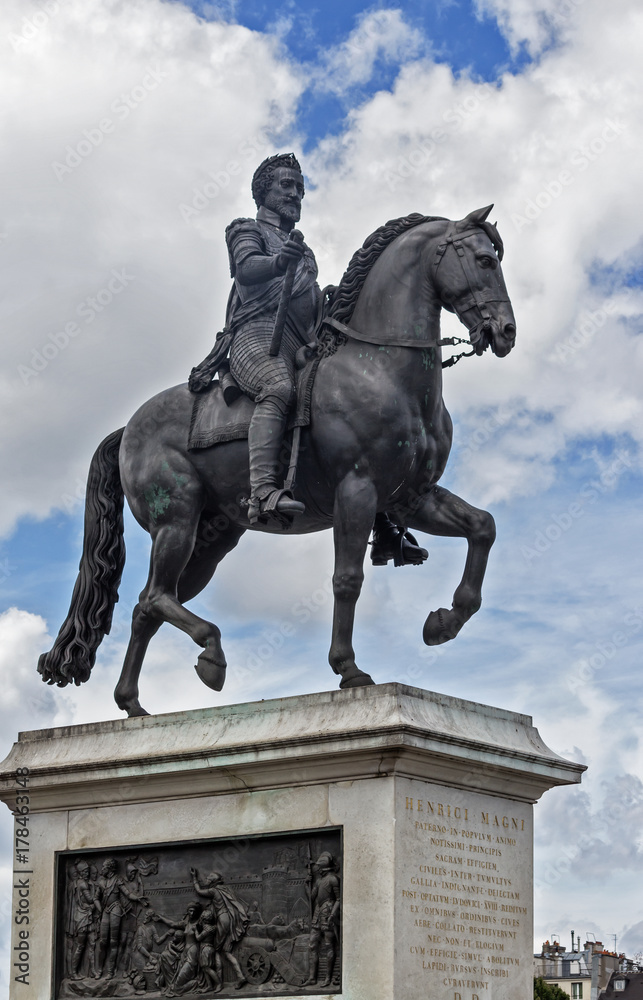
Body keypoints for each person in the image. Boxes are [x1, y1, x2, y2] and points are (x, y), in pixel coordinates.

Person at [190, 868, 249, 989]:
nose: (206, 880)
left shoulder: (213, 891)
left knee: (216, 949)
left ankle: (218, 982)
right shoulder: (226, 889)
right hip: (230, 919)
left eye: (208, 879)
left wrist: (194, 878)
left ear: (213, 881)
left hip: (222, 919)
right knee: (226, 952)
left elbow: (199, 891)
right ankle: (240, 977)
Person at [303, 852, 340, 988]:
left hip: (328, 913)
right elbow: (311, 898)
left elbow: (338, 899)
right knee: (312, 945)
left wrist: (332, 915)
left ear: (324, 867)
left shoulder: (333, 879)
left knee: (329, 945)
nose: (317, 869)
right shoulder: (318, 881)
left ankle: (328, 978)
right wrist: (307, 884)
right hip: (318, 913)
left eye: (318, 867)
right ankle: (312, 978)